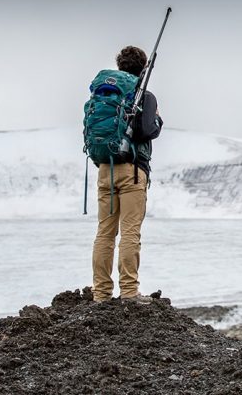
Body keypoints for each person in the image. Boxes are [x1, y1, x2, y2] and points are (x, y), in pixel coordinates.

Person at [91, 45, 162, 304]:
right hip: (132, 171)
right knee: (130, 232)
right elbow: (147, 131)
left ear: (119, 66)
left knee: (104, 233)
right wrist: (158, 121)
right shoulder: (144, 95)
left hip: (105, 168)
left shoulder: (106, 94)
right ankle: (129, 292)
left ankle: (100, 294)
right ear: (144, 68)